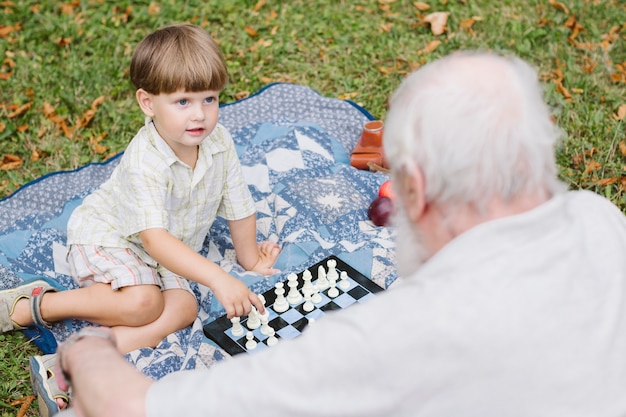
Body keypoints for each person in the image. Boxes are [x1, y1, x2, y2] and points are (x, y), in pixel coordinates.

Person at [50, 51, 626, 416]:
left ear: (415, 189)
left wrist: (88, 350)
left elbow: (138, 409)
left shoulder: (393, 332)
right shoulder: (602, 220)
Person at [0, 23, 281, 414]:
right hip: (114, 237)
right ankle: (39, 305)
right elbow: (153, 239)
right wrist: (218, 277)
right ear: (148, 103)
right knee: (144, 302)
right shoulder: (145, 160)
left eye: (210, 98)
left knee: (184, 309)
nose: (199, 114)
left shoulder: (219, 142)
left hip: (169, 250)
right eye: (183, 101)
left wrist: (250, 261)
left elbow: (238, 203)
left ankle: (72, 359)